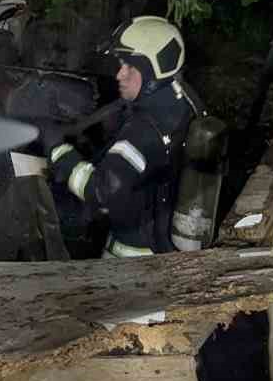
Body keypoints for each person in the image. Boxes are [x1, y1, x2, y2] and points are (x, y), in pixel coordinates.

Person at [45, 15, 202, 257]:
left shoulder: (142, 133)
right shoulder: (182, 99)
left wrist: (59, 152)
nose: (119, 74)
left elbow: (101, 192)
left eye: (128, 66)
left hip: (134, 255)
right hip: (162, 234)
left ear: (151, 72)